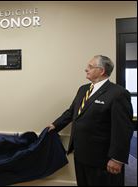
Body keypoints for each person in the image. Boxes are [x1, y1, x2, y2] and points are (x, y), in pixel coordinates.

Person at [47, 55, 134, 186]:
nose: (86, 69)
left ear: (102, 71)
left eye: (90, 67)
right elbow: (72, 112)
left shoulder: (118, 93)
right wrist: (55, 125)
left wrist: (117, 158)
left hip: (102, 158)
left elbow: (123, 129)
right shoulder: (83, 89)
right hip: (80, 154)